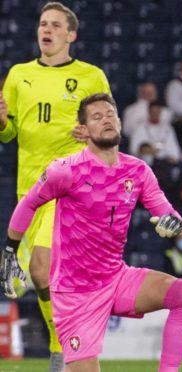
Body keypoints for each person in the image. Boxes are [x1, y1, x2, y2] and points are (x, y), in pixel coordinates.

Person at [0, 93, 182, 371]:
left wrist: (173, 221)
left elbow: (165, 210)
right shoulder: (65, 170)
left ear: (119, 121)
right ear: (84, 130)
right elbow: (29, 203)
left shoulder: (138, 170)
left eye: (109, 113)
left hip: (115, 278)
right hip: (74, 293)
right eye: (96, 117)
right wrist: (10, 249)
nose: (105, 119)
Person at [0, 3, 111, 369]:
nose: (46, 30)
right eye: (42, 24)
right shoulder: (18, 75)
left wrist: (91, 133)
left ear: (70, 35)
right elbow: (8, 134)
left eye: (55, 25)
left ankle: (61, 349)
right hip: (28, 191)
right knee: (40, 275)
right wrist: (1, 122)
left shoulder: (91, 76)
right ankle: (66, 342)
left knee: (41, 268)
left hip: (69, 187)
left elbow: (110, 130)